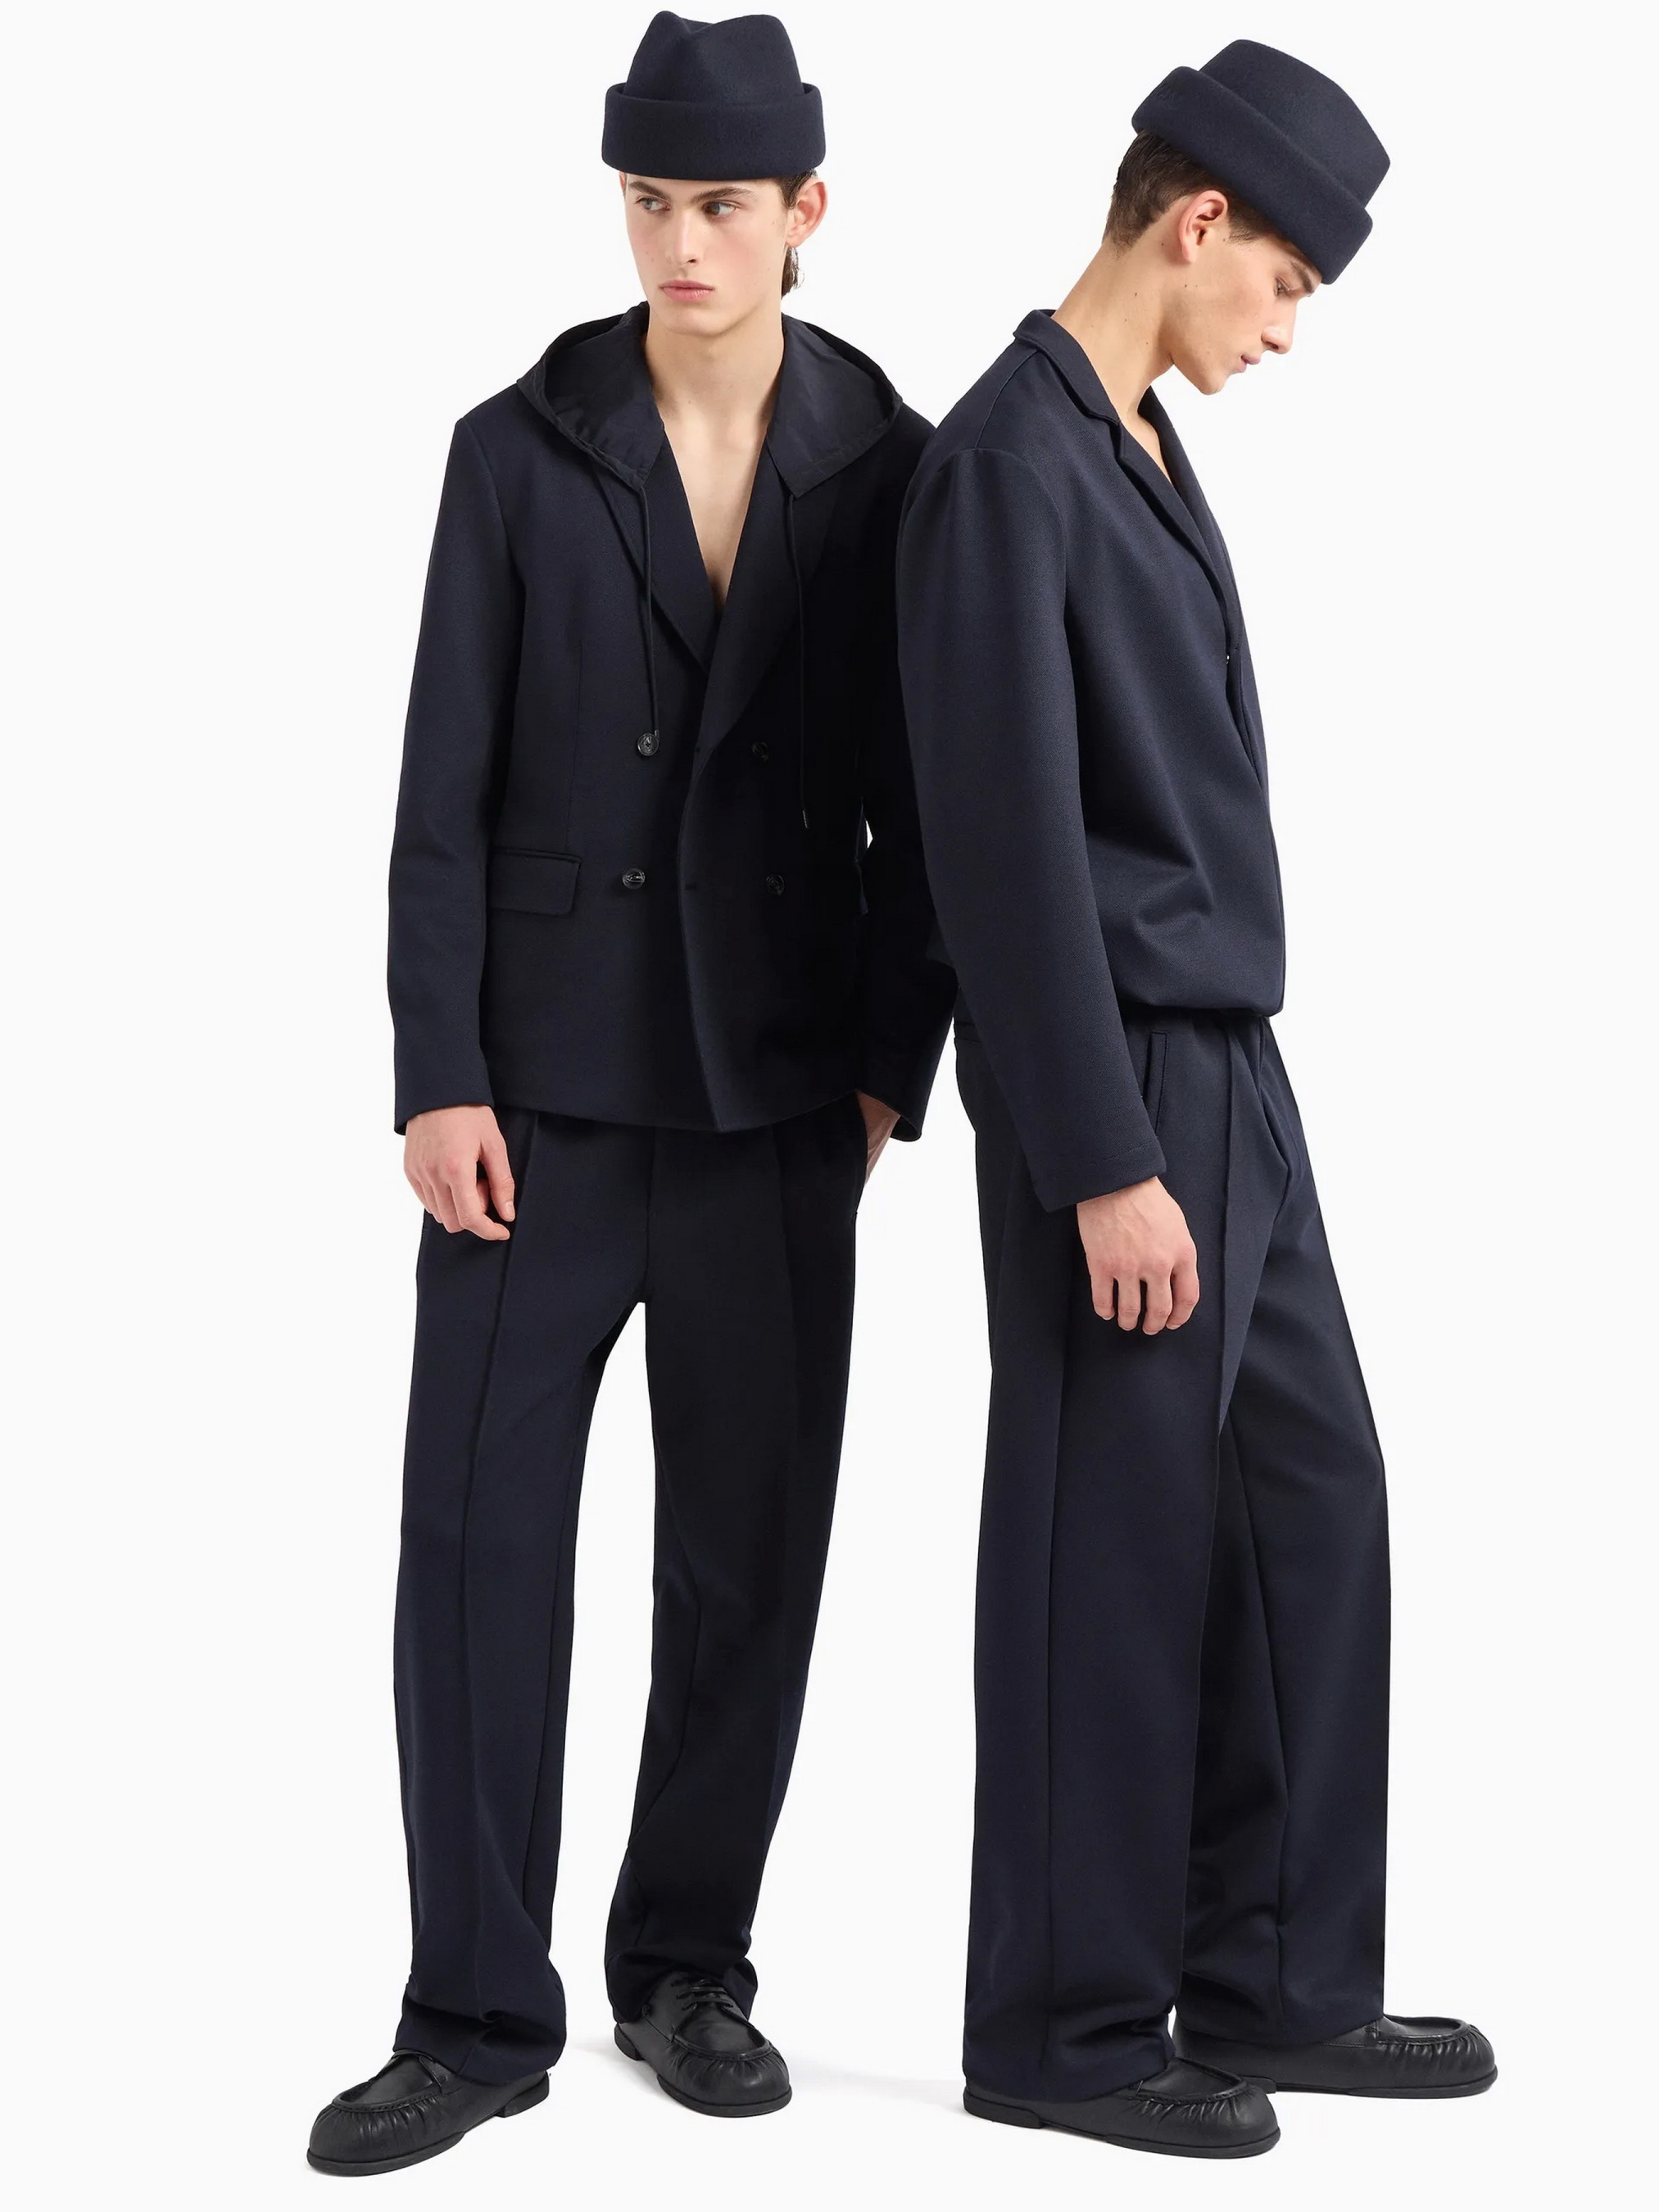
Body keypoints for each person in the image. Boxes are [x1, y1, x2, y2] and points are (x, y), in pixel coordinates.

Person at [308, 11, 952, 2176]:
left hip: (778, 1105)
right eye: (652, 201)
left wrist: (884, 1072)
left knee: (747, 1560)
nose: (683, 239)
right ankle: (472, 2009)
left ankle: (687, 1968)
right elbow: (438, 793)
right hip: (539, 1107)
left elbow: (922, 804)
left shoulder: (890, 457)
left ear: (805, 212)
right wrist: (438, 1075)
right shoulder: (516, 447)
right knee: (477, 1549)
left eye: (723, 204)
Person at [897, 40, 1494, 2160]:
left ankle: (1277, 1979)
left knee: (1308, 1502)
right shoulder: (1008, 461)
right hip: (1122, 1080)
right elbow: (997, 847)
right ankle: (1063, 2030)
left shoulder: (1134, 441)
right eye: (1290, 284)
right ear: (1198, 220)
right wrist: (1097, 1158)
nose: (1289, 328)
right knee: (1110, 1541)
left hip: (1234, 1060)